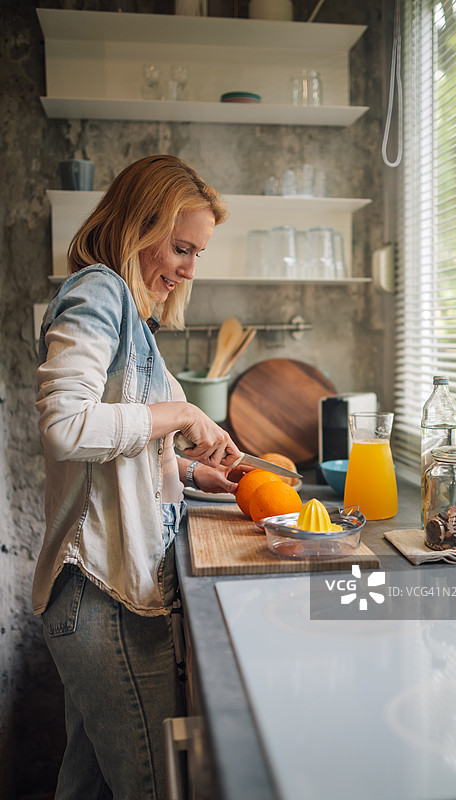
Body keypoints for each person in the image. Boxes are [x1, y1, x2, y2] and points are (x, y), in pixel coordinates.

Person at [33, 154, 247, 799]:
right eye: (181, 248)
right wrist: (181, 413)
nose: (188, 269)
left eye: (197, 253)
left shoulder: (132, 318)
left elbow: (120, 460)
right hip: (106, 599)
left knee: (88, 789)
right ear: (136, 228)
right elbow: (66, 426)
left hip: (101, 598)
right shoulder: (98, 292)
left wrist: (192, 472)